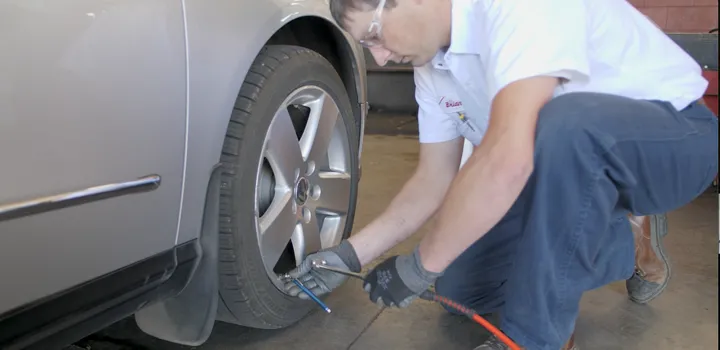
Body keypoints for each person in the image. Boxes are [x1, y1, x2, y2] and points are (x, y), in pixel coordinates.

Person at [284, 0, 719, 348]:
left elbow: (508, 156)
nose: (379, 57)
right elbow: (433, 180)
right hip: (562, 173)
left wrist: (418, 265)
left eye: (374, 35)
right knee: (459, 288)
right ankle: (624, 238)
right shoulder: (432, 70)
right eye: (367, 47)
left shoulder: (519, 7)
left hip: (673, 141)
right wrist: (350, 256)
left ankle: (534, 339)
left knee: (562, 124)